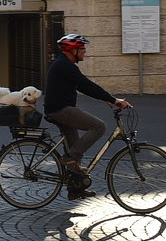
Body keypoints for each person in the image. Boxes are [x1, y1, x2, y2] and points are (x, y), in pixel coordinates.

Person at [44, 33, 131, 201]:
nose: (84, 51)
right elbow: (86, 84)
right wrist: (113, 99)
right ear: (72, 50)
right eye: (82, 48)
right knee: (99, 127)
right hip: (60, 110)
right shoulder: (64, 65)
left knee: (75, 147)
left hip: (59, 108)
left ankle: (75, 188)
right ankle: (69, 158)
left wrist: (107, 99)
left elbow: (83, 87)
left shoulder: (64, 64)